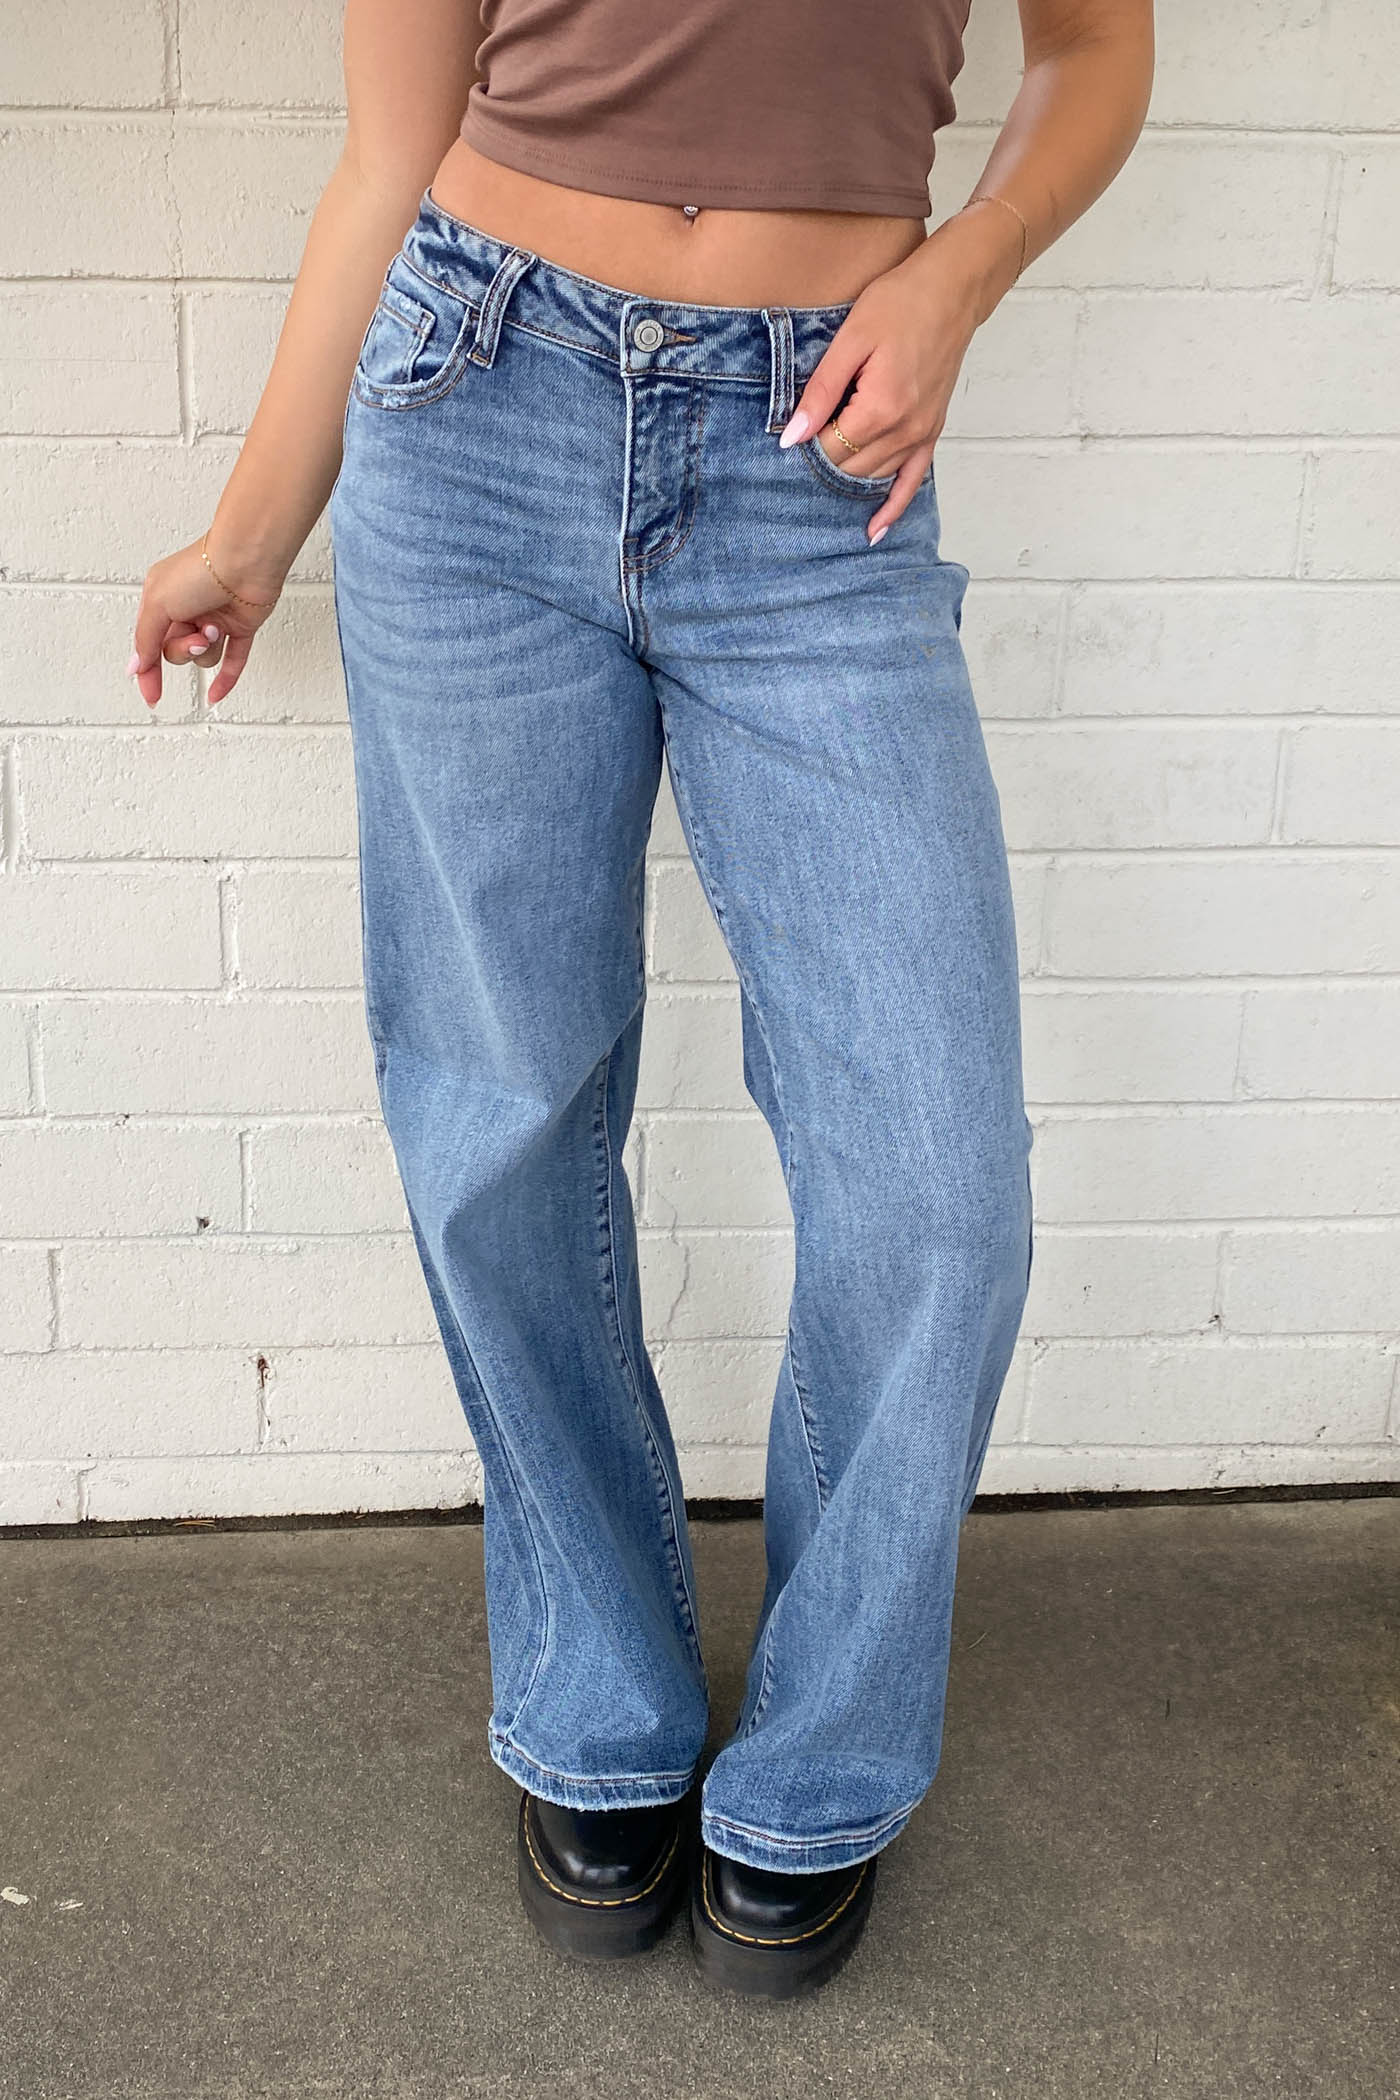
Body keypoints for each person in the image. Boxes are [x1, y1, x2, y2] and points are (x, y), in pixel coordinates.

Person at [130, 0, 1154, 2000]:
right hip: (478, 407)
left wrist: (952, 278)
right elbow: (387, 153)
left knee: (934, 1177)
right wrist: (254, 530)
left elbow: (1095, 53)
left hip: (818, 460)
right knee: (502, 1107)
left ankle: (824, 1761)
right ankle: (597, 1702)